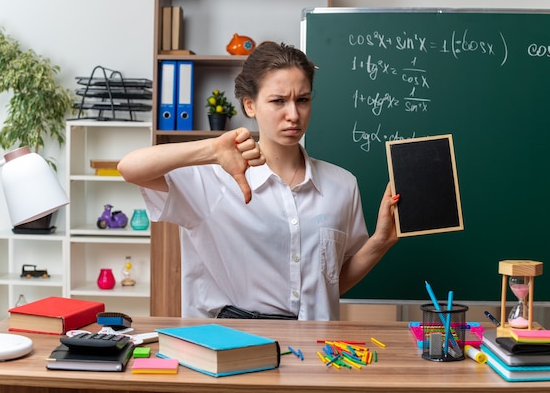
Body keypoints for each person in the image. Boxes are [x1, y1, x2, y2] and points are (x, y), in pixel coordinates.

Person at [118, 42, 400, 320]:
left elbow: (332, 283)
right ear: (250, 105)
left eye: (302, 100)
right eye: (278, 101)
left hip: (314, 351)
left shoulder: (342, 185)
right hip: (233, 345)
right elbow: (130, 167)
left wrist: (380, 242)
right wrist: (212, 150)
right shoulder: (214, 178)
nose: (293, 115)